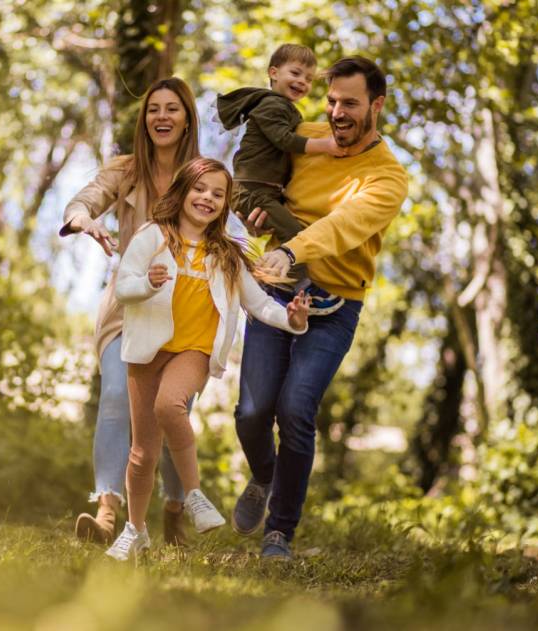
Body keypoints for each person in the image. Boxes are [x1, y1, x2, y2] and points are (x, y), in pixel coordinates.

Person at [230, 56, 410, 560]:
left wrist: (291, 250)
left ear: (377, 105)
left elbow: (343, 225)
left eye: (349, 103)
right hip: (276, 289)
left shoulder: (387, 177)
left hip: (335, 304)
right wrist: (256, 210)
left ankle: (279, 533)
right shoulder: (304, 136)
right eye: (331, 101)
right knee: (251, 412)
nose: (336, 113)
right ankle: (264, 476)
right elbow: (255, 175)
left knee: (295, 409)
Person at [104, 157, 310, 561]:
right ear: (183, 191)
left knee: (170, 405)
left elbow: (259, 303)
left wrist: (291, 319)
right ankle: (136, 529)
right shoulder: (153, 237)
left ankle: (194, 495)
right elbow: (123, 287)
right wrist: (147, 284)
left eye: (218, 194)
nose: (208, 199)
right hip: (148, 349)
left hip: (194, 352)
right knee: (142, 453)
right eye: (200, 189)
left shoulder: (228, 255)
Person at [60, 78, 201, 547]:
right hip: (130, 306)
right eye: (153, 110)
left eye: (172, 109)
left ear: (186, 119)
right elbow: (83, 199)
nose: (161, 117)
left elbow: (233, 227)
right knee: (118, 397)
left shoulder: (203, 177)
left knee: (171, 411)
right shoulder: (124, 171)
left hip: (186, 312)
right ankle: (106, 514)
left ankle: (175, 509)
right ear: (145, 121)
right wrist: (84, 219)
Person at [216, 43, 346, 285]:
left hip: (262, 191)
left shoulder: (283, 107)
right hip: (252, 192)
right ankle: (295, 286)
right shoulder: (272, 104)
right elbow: (284, 140)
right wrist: (326, 145)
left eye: (308, 79)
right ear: (274, 73)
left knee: (295, 233)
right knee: (296, 237)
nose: (302, 82)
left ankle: (273, 278)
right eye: (295, 73)